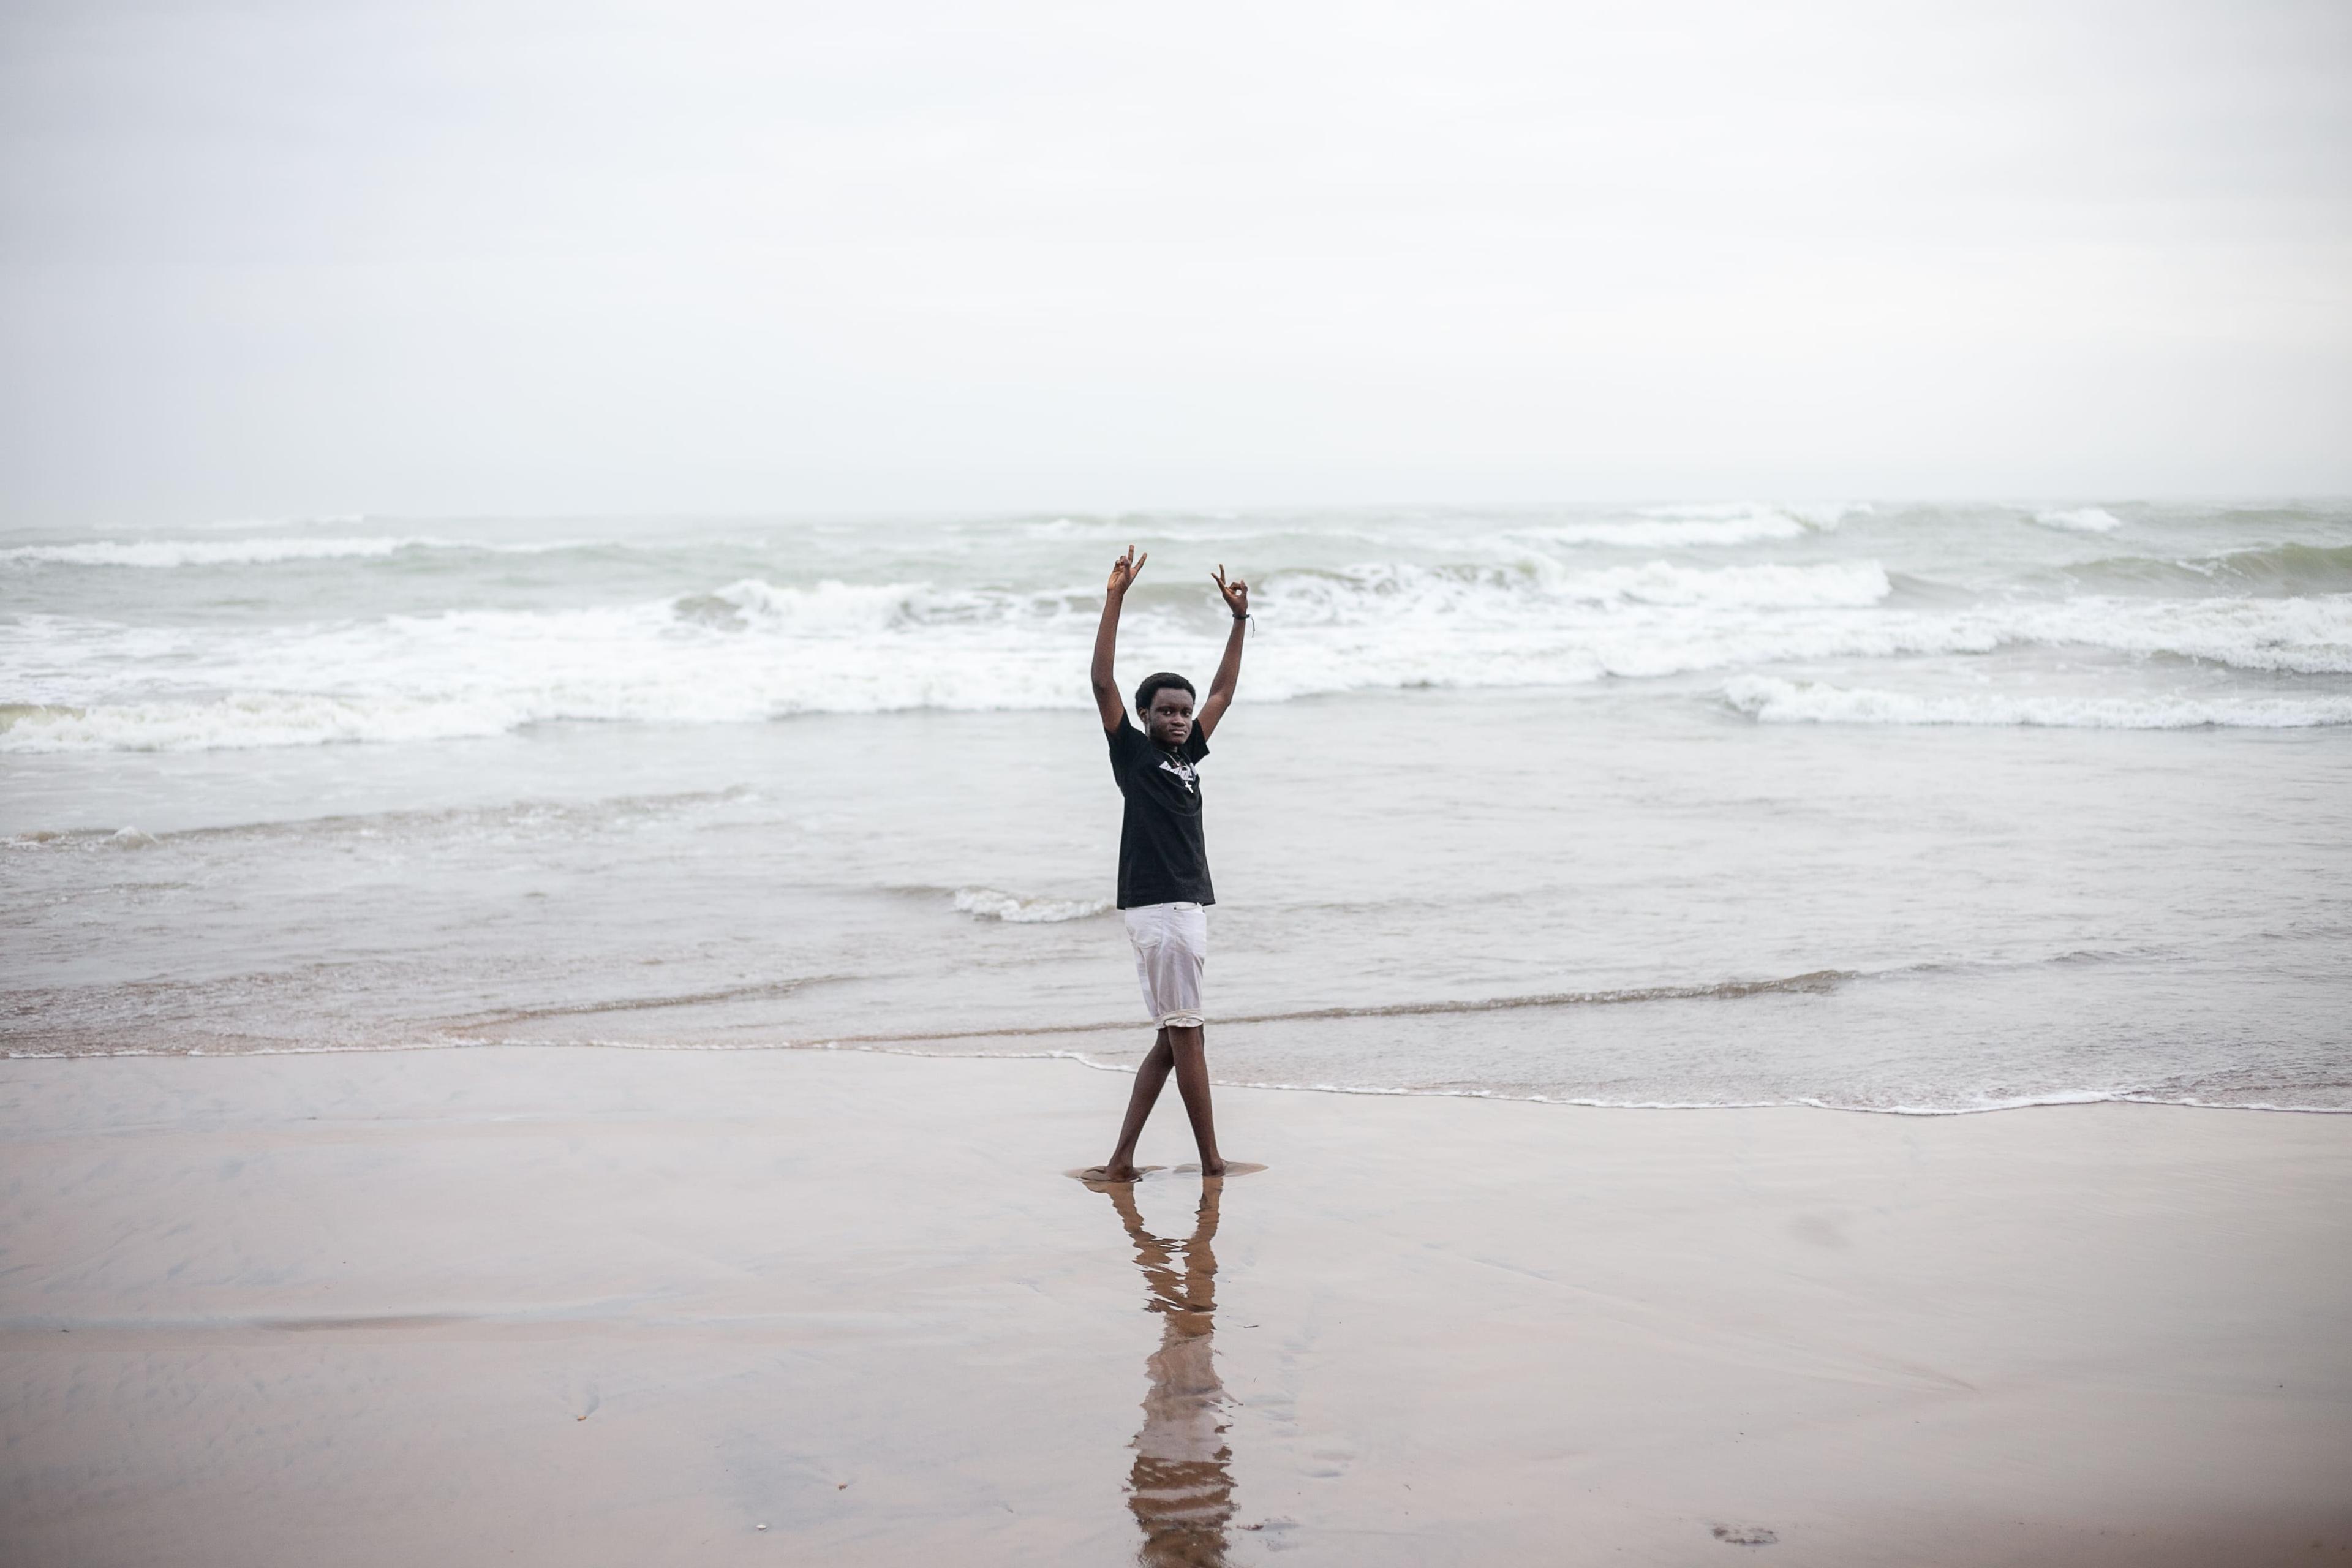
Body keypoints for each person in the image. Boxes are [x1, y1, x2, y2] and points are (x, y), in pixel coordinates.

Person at [1084, 545, 1249, 1183]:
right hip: (1165, 911)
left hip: (1176, 910)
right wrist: (1116, 597)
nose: (1180, 719)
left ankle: (1121, 1160)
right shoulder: (1135, 757)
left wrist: (1238, 621)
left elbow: (1224, 692)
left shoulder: (1185, 760)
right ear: (1145, 717)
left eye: (1183, 711)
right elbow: (1103, 683)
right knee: (1188, 1034)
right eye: (1167, 711)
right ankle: (1211, 1161)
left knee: (1173, 1037)